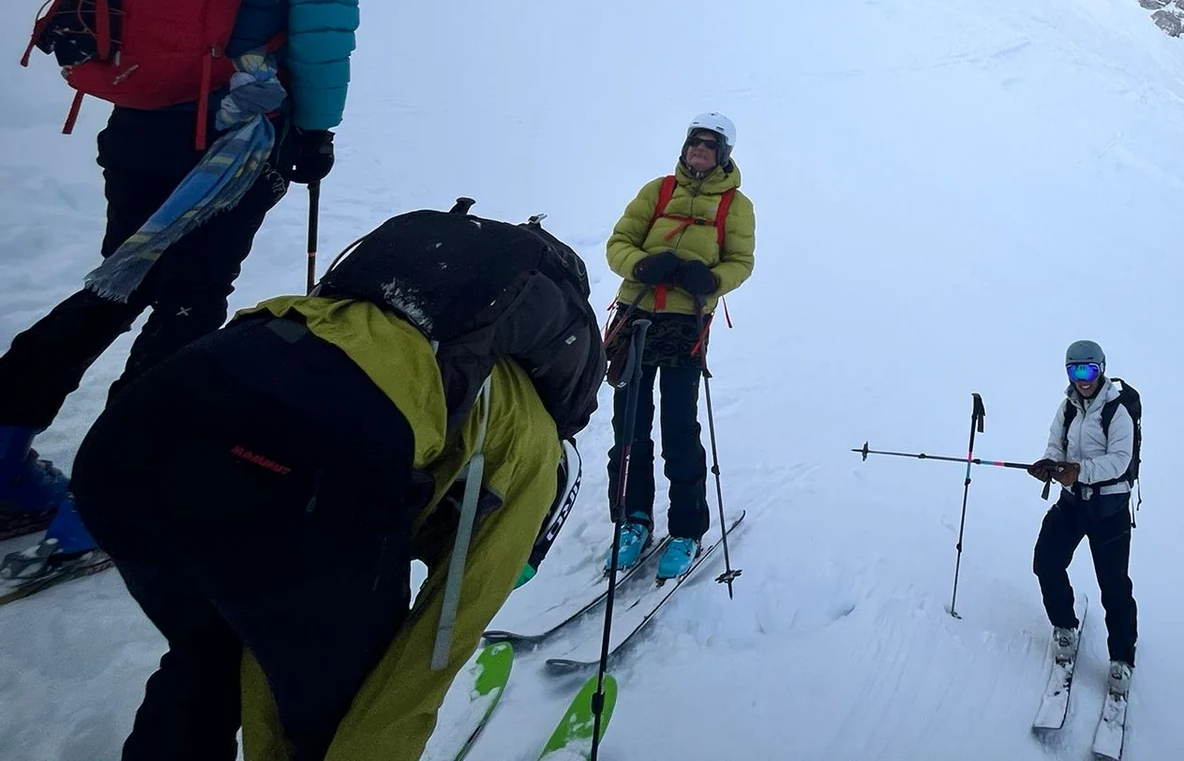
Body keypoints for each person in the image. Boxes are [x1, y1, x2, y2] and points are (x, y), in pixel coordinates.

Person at [67, 202, 602, 761]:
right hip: (296, 471)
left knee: (211, 654)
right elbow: (434, 647)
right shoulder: (535, 448)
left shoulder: (396, 328)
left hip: (131, 441)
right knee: (338, 714)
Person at [0, 0, 394, 563]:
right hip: (229, 151)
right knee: (191, 299)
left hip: (140, 129)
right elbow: (322, 45)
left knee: (117, 283)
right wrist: (316, 133)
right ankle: (112, 496)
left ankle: (5, 454)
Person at [602, 113, 756, 579]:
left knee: (678, 426)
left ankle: (687, 528)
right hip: (636, 317)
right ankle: (633, 520)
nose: (700, 150)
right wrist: (642, 266)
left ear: (724, 152)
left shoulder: (736, 205)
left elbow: (741, 262)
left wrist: (710, 280)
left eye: (710, 145)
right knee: (628, 424)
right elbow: (618, 244)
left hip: (686, 324)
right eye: (695, 142)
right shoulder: (659, 190)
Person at [1027, 339, 1139, 698]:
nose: (1082, 378)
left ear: (1101, 369)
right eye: (1075, 370)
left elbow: (1120, 460)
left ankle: (1121, 659)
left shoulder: (1116, 410)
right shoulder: (1068, 407)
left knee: (1114, 587)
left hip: (1109, 510)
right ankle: (1064, 626)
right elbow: (1055, 443)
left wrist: (1079, 471)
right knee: (1046, 562)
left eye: (1088, 370)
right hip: (1073, 504)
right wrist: (1050, 463)